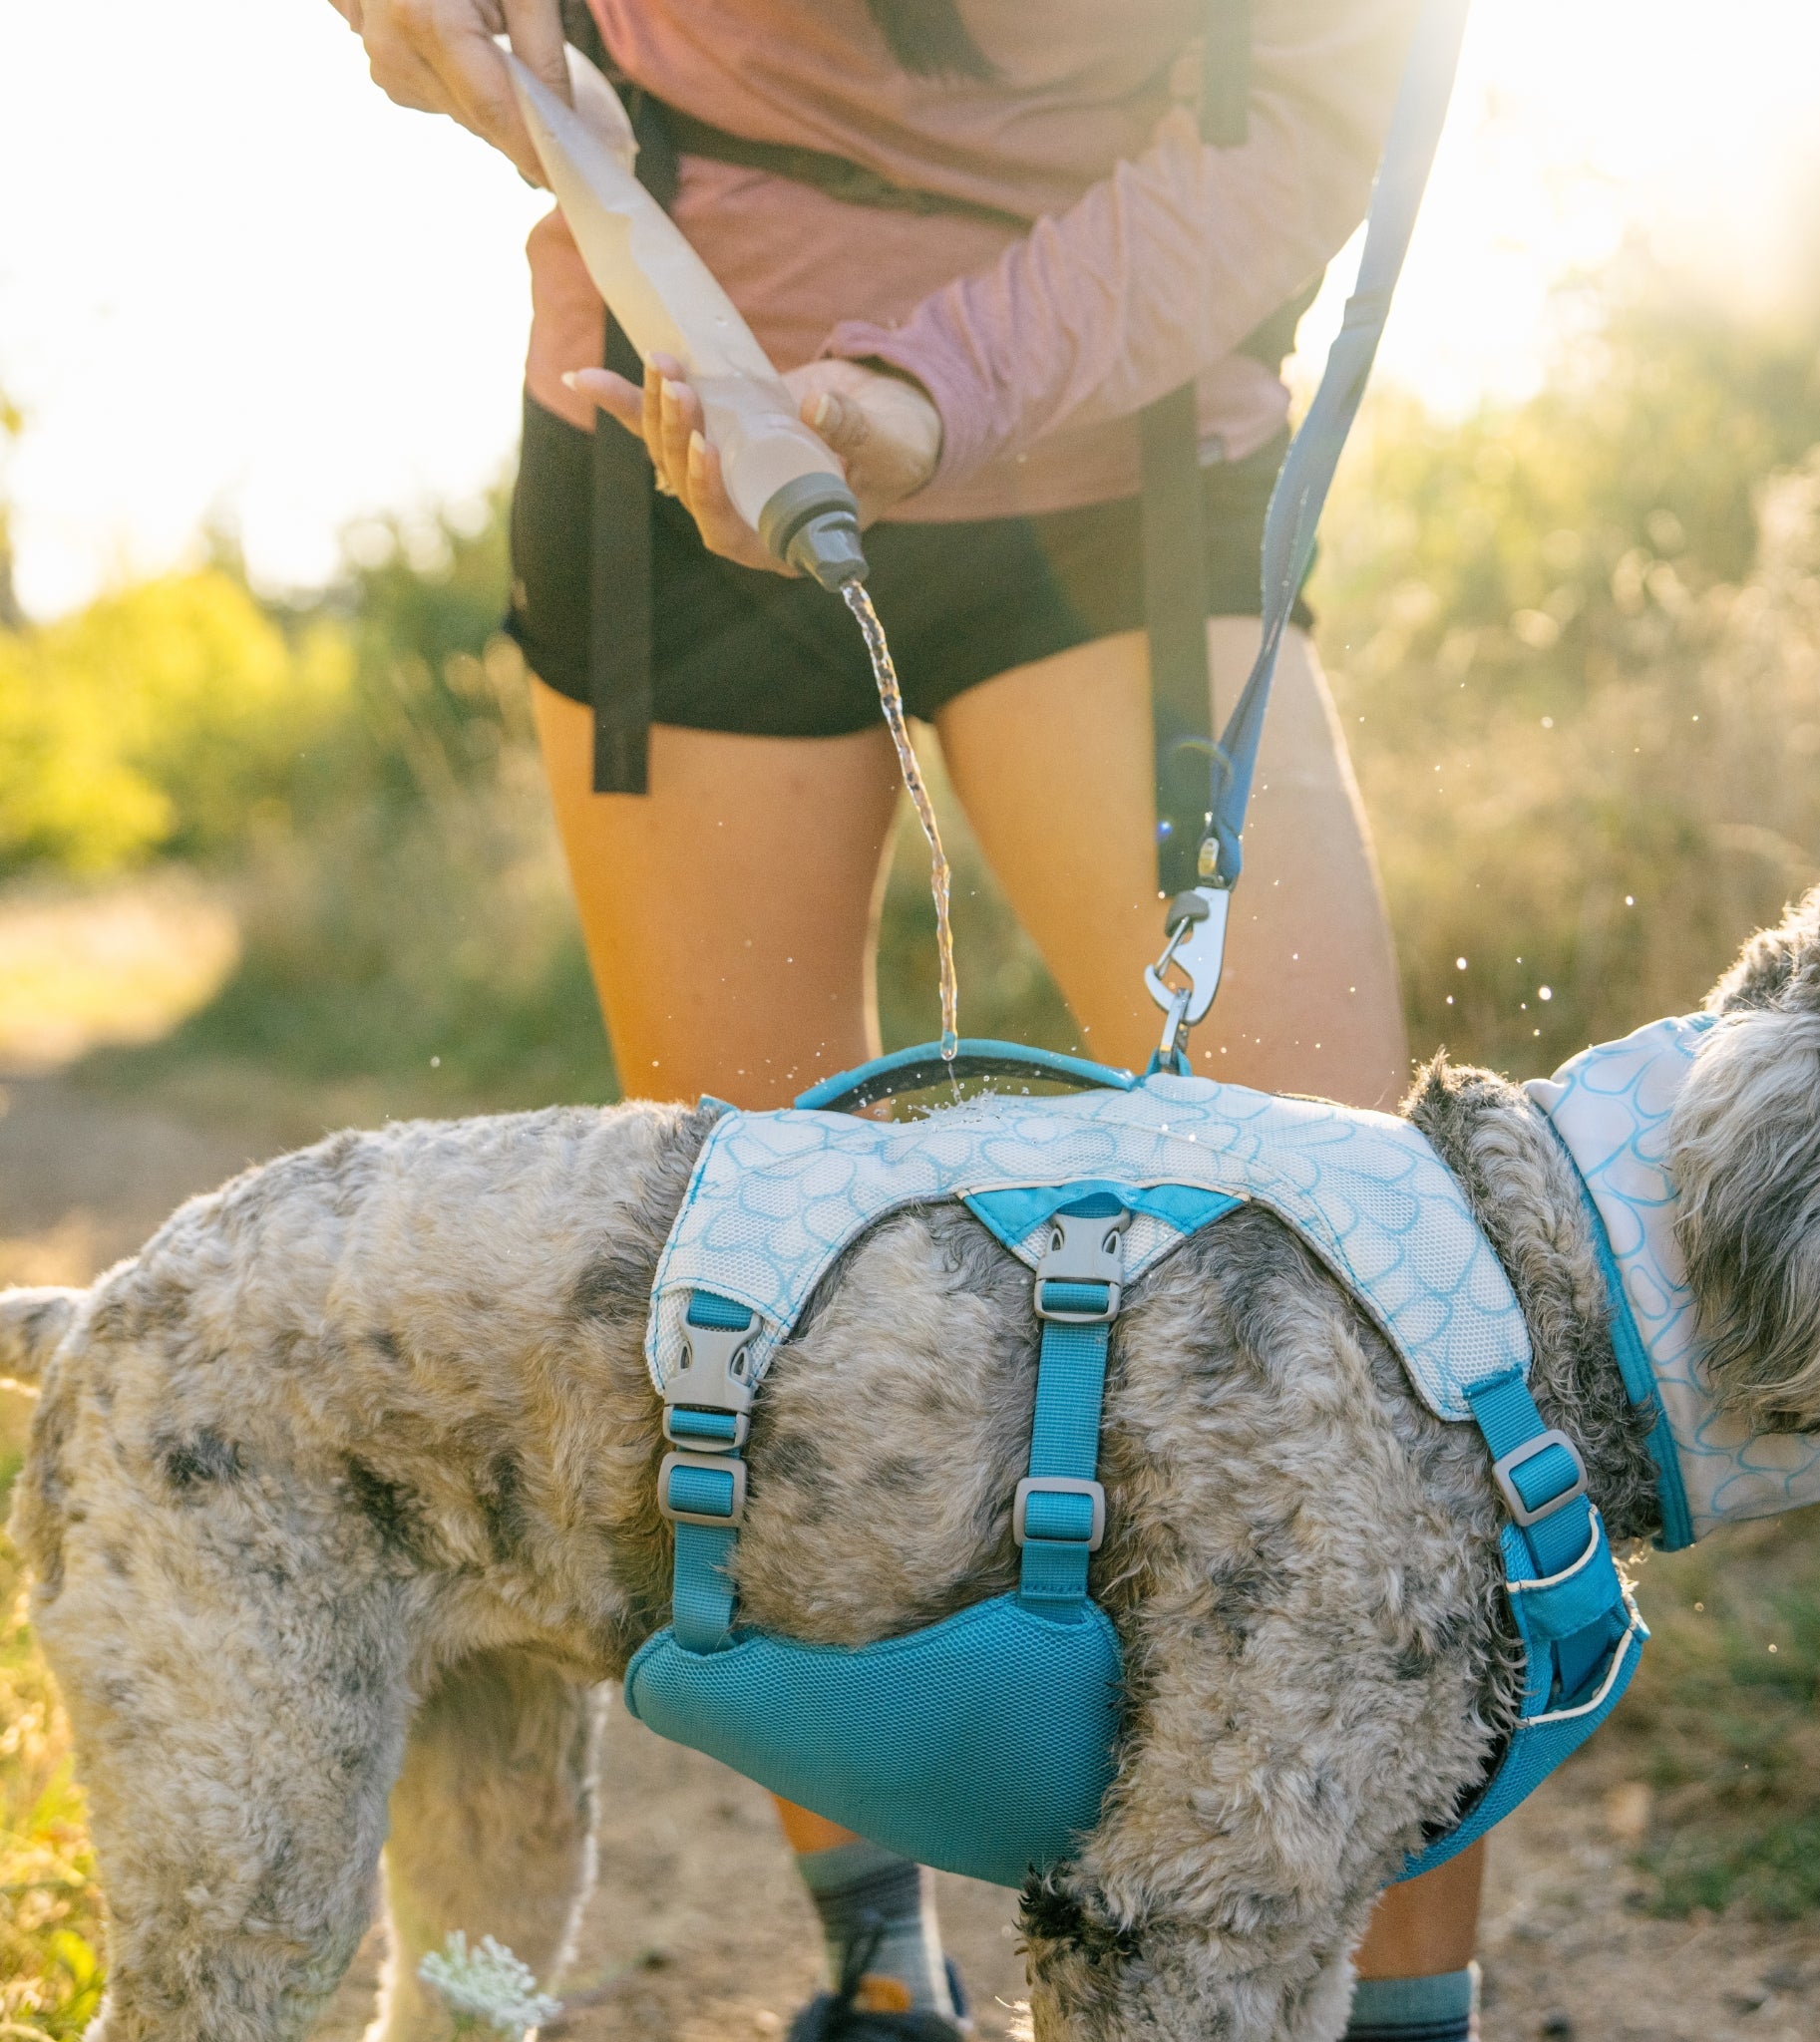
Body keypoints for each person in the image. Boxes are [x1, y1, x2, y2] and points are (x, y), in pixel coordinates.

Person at [331, 1, 1487, 2037]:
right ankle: (880, 1975)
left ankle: (1403, 2014)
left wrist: (927, 393)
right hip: (675, 441)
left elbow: (1314, 126)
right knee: (743, 1295)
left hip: (1118, 458)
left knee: (1371, 1299)